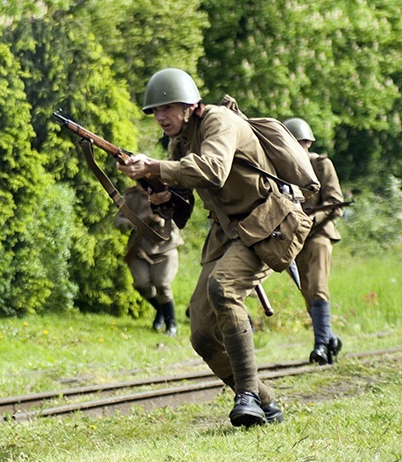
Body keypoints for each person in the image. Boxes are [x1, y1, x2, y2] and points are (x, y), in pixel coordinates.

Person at [117, 68, 284, 427]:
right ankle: (265, 402)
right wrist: (161, 196)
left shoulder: (218, 122)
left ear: (191, 105)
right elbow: (184, 210)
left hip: (267, 223)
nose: (161, 117)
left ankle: (248, 397)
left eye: (168, 108)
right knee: (202, 334)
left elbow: (213, 170)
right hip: (228, 232)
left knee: (222, 288)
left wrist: (157, 166)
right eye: (155, 111)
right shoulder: (180, 142)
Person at [284, 117, 344, 365]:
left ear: (308, 143)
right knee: (307, 292)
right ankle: (329, 338)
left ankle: (320, 345)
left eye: (300, 143)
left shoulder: (321, 165)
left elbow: (335, 203)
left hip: (319, 234)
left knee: (318, 286)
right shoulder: (281, 170)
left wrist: (312, 218)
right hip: (294, 238)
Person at [114, 184, 183, 336]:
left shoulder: (168, 191)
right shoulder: (132, 196)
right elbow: (118, 220)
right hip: (140, 249)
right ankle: (161, 311)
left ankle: (171, 324)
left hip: (165, 248)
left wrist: (162, 220)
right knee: (141, 284)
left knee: (162, 284)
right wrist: (133, 222)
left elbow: (181, 216)